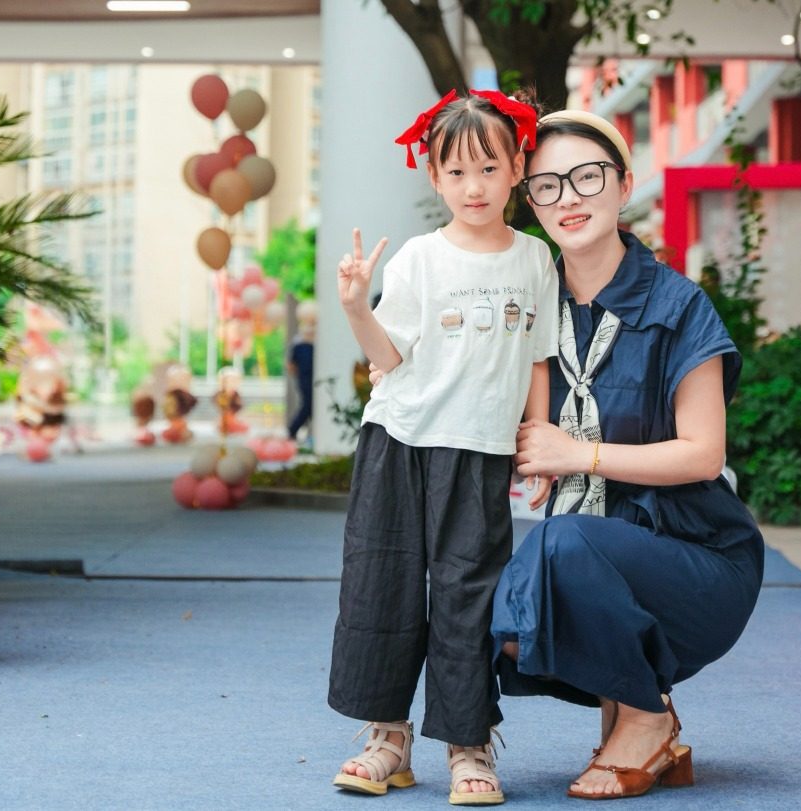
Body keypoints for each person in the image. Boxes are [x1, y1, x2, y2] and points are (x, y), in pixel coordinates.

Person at [490, 107, 765, 800]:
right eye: (547, 185)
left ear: (623, 183)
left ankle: (645, 717)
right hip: (591, 549)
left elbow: (703, 455)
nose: (568, 197)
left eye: (587, 177)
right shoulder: (530, 305)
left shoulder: (679, 305)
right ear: (531, 202)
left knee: (561, 543)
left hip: (697, 555)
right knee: (501, 624)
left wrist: (577, 454)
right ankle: (639, 716)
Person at [328, 89, 559, 805]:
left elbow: (538, 360)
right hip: (399, 439)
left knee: (469, 594)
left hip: (481, 452)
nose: (473, 186)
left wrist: (537, 443)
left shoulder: (536, 259)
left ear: (517, 168)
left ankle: (468, 743)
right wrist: (356, 307)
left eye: (488, 168)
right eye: (456, 171)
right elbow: (388, 357)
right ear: (433, 176)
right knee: (383, 582)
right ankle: (387, 738)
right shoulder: (421, 258)